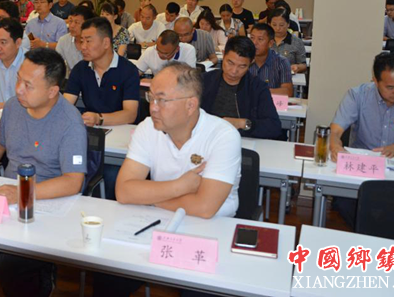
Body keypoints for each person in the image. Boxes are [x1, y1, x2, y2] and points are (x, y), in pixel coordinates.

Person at [95, 63, 241, 297]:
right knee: (109, 274)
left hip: (211, 229)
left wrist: (149, 197)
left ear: (190, 104)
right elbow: (124, 191)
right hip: (156, 223)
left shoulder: (223, 135)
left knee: (197, 291)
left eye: (161, 100)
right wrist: (180, 186)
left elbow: (205, 207)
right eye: (151, 97)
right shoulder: (148, 128)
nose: (152, 107)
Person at [0, 48, 86, 297]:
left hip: (47, 204)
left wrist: (22, 193)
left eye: (28, 85)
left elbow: (73, 182)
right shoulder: (14, 106)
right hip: (8, 195)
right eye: (18, 80)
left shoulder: (70, 123)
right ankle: (31, 275)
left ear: (52, 91)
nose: (18, 89)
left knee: (12, 265)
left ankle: (32, 275)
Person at [65, 17, 139, 199]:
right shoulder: (81, 69)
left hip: (119, 138)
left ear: (106, 43)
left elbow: (130, 114)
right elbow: (65, 105)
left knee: (112, 176)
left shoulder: (128, 70)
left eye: (88, 41)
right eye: (81, 41)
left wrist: (100, 118)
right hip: (90, 137)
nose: (83, 46)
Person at [201, 36, 283, 140]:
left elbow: (274, 127)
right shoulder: (204, 80)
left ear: (251, 62)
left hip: (242, 140)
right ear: (223, 54)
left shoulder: (257, 87)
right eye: (230, 63)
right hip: (207, 139)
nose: (234, 71)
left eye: (242, 66)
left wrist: (242, 123)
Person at [247, 23, 293, 97]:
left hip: (271, 103)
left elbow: (288, 91)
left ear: (270, 43)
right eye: (252, 38)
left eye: (260, 39)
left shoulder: (281, 62)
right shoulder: (244, 60)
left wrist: (260, 91)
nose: (254, 43)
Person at [55, 5, 94, 72]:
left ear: (88, 24)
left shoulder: (95, 42)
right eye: (70, 21)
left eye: (77, 22)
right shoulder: (63, 41)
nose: (72, 26)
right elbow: (56, 65)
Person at [270, 8, 307, 73]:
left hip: (288, 76)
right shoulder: (265, 40)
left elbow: (304, 65)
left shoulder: (296, 42)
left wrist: (297, 67)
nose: (277, 28)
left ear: (288, 24)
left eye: (281, 25)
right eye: (274, 25)